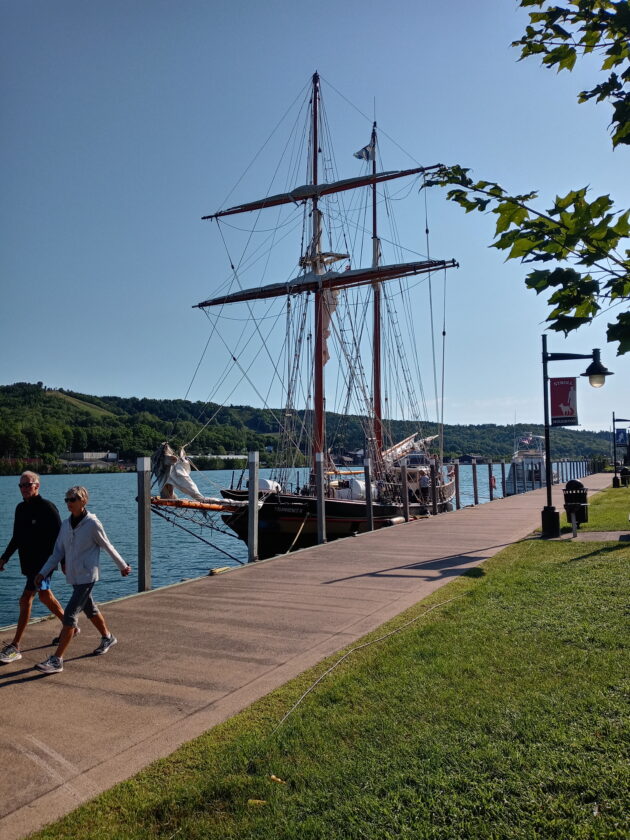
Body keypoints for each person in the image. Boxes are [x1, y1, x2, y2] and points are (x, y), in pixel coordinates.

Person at [34, 485, 132, 675]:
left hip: (87, 576)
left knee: (70, 615)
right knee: (90, 608)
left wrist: (122, 566)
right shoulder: (65, 525)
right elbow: (58, 552)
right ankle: (107, 637)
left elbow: (107, 545)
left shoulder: (92, 523)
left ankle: (57, 660)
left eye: (73, 499)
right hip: (74, 575)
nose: (69, 503)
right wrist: (43, 572)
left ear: (83, 500)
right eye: (67, 500)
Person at [0, 471, 66, 664]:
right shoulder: (20, 508)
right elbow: (17, 537)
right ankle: (70, 625)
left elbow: (61, 537)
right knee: (45, 596)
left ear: (37, 486)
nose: (24, 489)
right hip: (28, 562)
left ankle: (15, 646)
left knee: (25, 598)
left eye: (28, 485)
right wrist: (4, 558)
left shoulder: (48, 508)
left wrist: (63, 562)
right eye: (21, 485)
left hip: (44, 563)